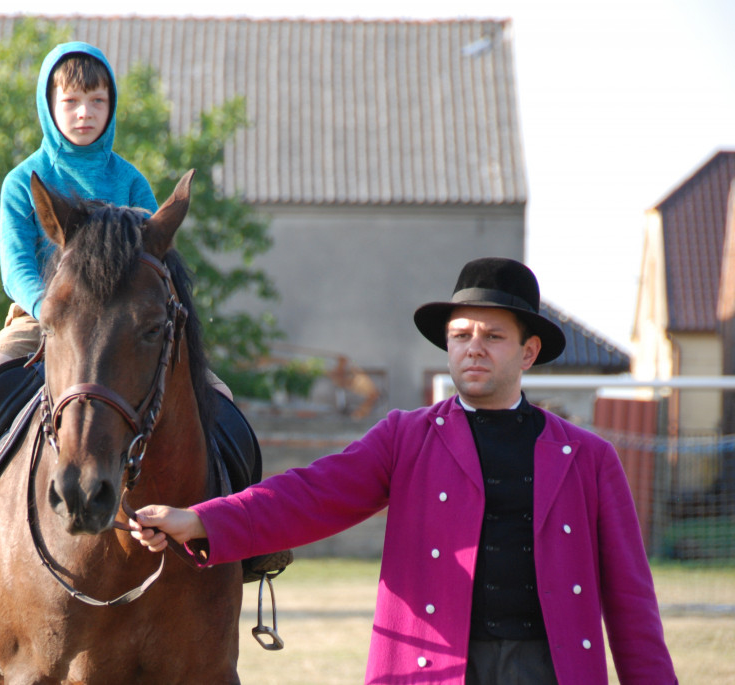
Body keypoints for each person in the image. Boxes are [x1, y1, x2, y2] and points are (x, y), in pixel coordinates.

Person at [130, 257, 677, 684]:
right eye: (461, 335)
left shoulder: (589, 457)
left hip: (549, 669)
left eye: (493, 336)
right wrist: (200, 519)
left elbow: (631, 602)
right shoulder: (405, 437)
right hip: (434, 666)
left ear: (528, 352)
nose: (474, 349)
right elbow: (308, 496)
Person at [0, 41, 159, 556]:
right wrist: (48, 312)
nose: (85, 113)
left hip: (119, 332)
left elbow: (157, 257)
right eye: (72, 101)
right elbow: (16, 267)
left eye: (98, 101)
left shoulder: (131, 182)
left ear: (113, 106)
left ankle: (236, 517)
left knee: (214, 393)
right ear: (48, 105)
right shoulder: (23, 181)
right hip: (41, 321)